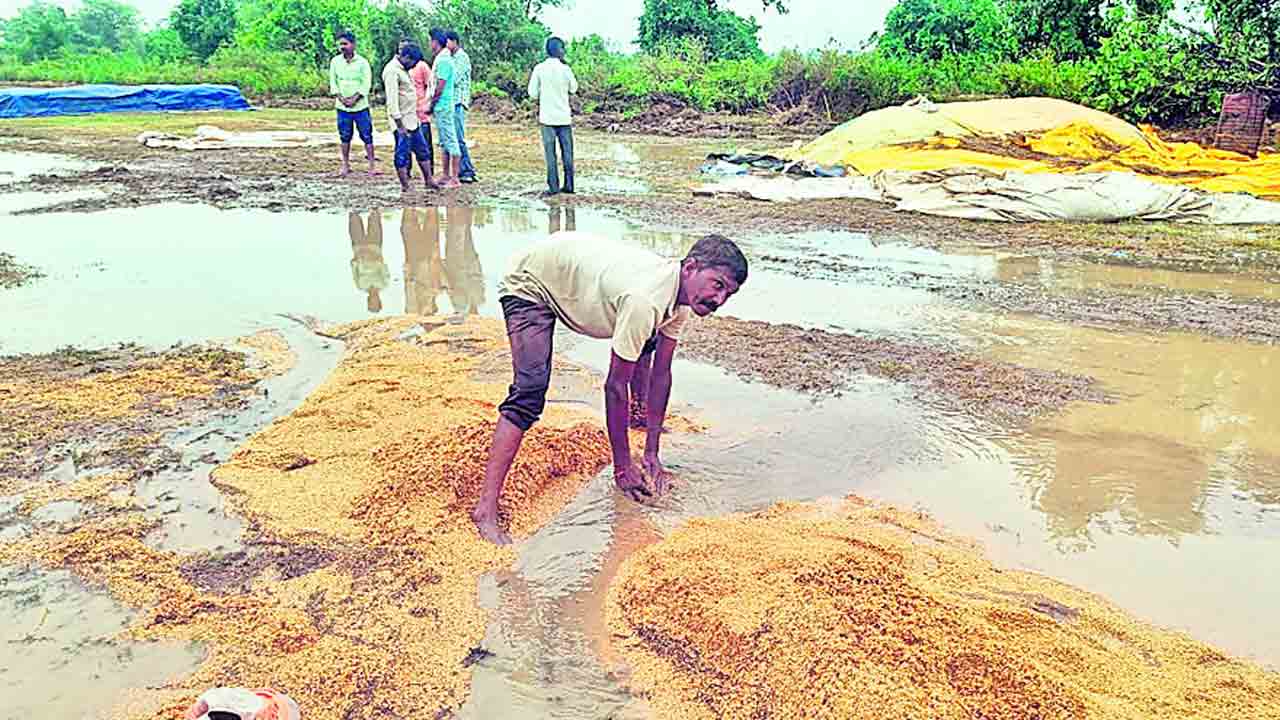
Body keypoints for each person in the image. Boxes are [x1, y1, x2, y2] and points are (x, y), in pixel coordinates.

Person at [471, 232, 749, 544]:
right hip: (532, 279)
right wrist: (622, 467)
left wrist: (652, 453)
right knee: (530, 391)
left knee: (648, 342)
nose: (720, 300)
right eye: (718, 285)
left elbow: (662, 375)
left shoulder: (681, 303)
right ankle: (485, 509)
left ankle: (637, 422)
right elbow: (615, 386)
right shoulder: (645, 301)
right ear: (691, 268)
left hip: (573, 268)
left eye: (729, 293)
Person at [528, 37, 578, 196]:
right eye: (563, 48)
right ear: (559, 50)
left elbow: (533, 94)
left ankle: (553, 187)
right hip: (564, 117)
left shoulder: (539, 69)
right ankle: (569, 186)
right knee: (567, 153)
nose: (564, 51)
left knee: (551, 154)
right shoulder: (566, 69)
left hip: (547, 118)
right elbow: (574, 89)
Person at [383, 42, 433, 193]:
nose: (414, 66)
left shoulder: (403, 69)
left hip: (413, 120)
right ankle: (406, 186)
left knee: (423, 151)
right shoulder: (392, 71)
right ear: (405, 57)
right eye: (413, 62)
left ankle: (429, 181)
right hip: (401, 122)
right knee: (402, 155)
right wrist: (399, 125)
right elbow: (392, 101)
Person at [329, 30, 378, 178]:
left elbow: (366, 83)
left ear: (353, 45)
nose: (342, 47)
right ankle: (345, 164)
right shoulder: (335, 62)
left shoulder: (362, 63)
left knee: (367, 135)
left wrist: (355, 98)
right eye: (340, 44)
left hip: (360, 106)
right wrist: (341, 98)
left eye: (345, 43)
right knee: (344, 135)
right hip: (342, 106)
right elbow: (333, 82)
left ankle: (371, 165)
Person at [427, 28, 462, 189]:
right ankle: (446, 174)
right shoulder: (442, 59)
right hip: (441, 106)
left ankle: (455, 178)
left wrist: (431, 105)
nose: (429, 44)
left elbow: (439, 87)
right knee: (443, 141)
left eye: (431, 40)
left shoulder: (444, 61)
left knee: (450, 140)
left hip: (443, 105)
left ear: (436, 42)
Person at [402, 38, 436, 186]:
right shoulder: (399, 68)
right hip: (406, 114)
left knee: (424, 147)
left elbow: (431, 85)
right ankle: (407, 173)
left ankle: (429, 176)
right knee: (405, 147)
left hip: (421, 112)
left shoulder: (421, 66)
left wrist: (428, 104)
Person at [445, 30, 477, 183]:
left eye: (448, 42)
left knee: (458, 137)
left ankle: (467, 170)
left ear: (455, 41)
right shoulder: (450, 58)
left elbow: (454, 79)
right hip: (451, 102)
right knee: (453, 137)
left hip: (458, 102)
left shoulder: (462, 58)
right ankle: (461, 170)